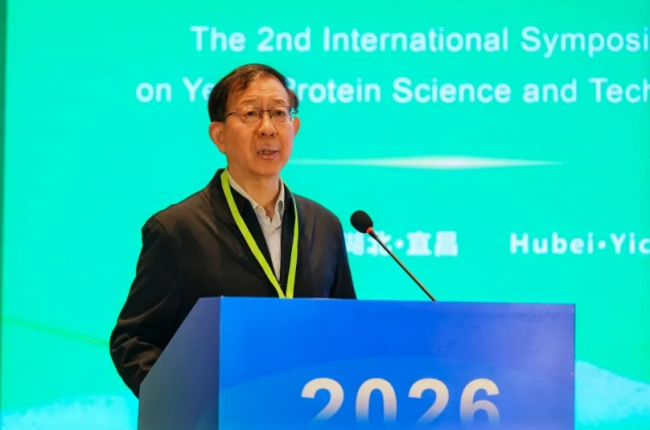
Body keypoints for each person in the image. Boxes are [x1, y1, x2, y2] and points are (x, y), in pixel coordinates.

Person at [109, 63, 357, 398]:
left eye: (279, 113)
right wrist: (188, 404)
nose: (267, 128)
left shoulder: (324, 225)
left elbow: (347, 331)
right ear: (219, 136)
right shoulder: (176, 230)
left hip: (310, 411)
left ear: (294, 127)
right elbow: (134, 341)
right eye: (251, 113)